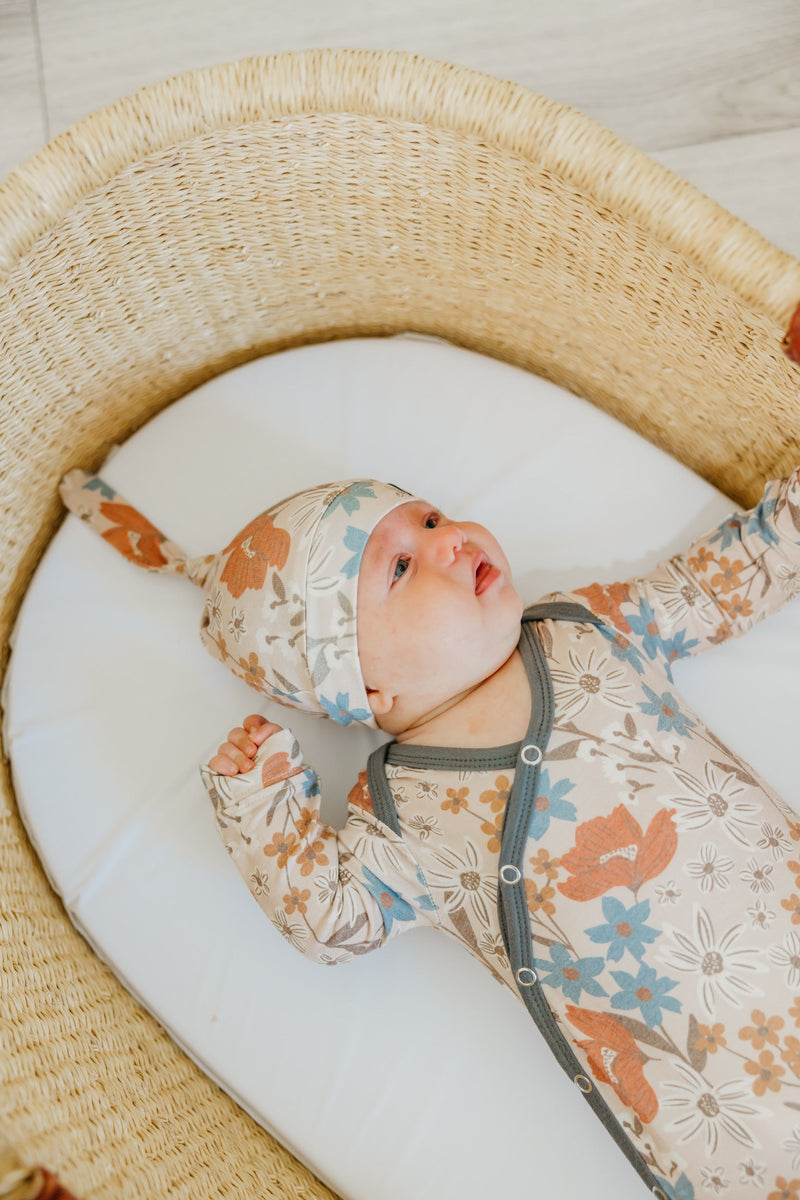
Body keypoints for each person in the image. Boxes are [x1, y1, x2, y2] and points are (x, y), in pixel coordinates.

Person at [61, 465, 800, 1199]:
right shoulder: (400, 810)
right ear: (365, 684)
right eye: (403, 567)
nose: (448, 542)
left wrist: (787, 524)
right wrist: (260, 804)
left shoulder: (584, 628)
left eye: (434, 519)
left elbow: (709, 588)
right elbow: (331, 921)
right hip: (723, 1105)